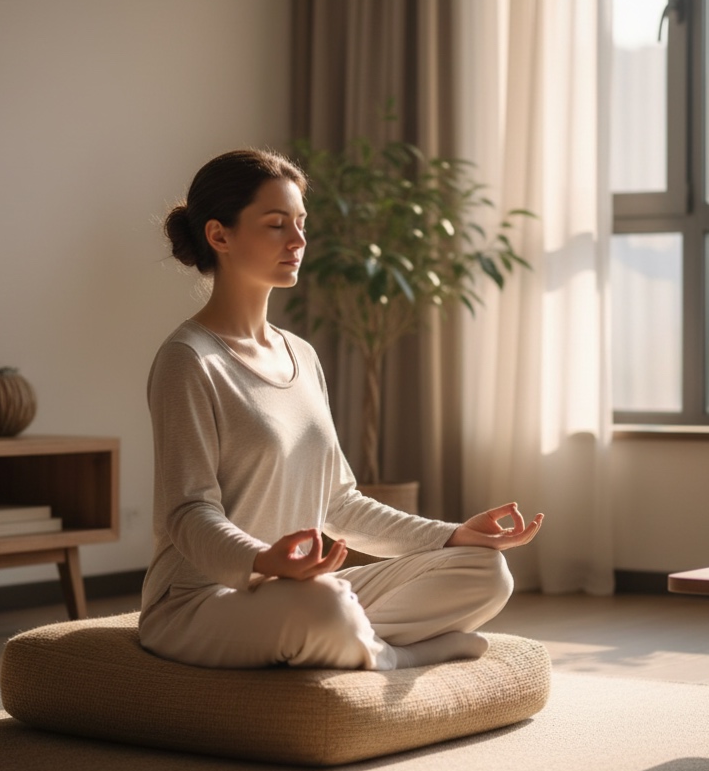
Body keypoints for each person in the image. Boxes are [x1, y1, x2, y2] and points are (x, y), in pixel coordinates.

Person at [139, 147, 544, 671]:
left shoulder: (301, 356)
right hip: (199, 604)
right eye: (276, 224)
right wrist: (263, 560)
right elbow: (188, 512)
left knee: (485, 571)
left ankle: (358, 645)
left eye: (302, 223)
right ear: (220, 236)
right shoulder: (188, 361)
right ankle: (394, 655)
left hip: (295, 591)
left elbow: (340, 505)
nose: (299, 240)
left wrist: (451, 535)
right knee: (327, 604)